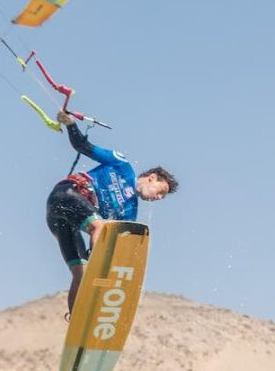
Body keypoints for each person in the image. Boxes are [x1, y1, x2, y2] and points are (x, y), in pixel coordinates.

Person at [45, 112, 178, 316]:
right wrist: (70, 124)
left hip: (63, 221)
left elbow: (115, 242)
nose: (159, 198)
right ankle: (99, 279)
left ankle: (77, 323)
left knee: (80, 273)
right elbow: (83, 146)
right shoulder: (121, 165)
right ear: (152, 178)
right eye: (161, 192)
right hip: (65, 195)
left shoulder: (130, 211)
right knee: (98, 227)